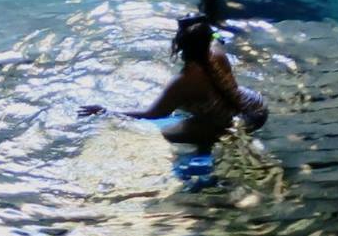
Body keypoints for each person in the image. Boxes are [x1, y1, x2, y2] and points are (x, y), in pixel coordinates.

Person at [78, 15, 269, 147]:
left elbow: (152, 114)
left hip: (237, 124)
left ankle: (206, 147)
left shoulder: (183, 82)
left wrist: (106, 111)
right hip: (256, 108)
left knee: (164, 135)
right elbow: (216, 37)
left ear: (178, 46)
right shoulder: (217, 52)